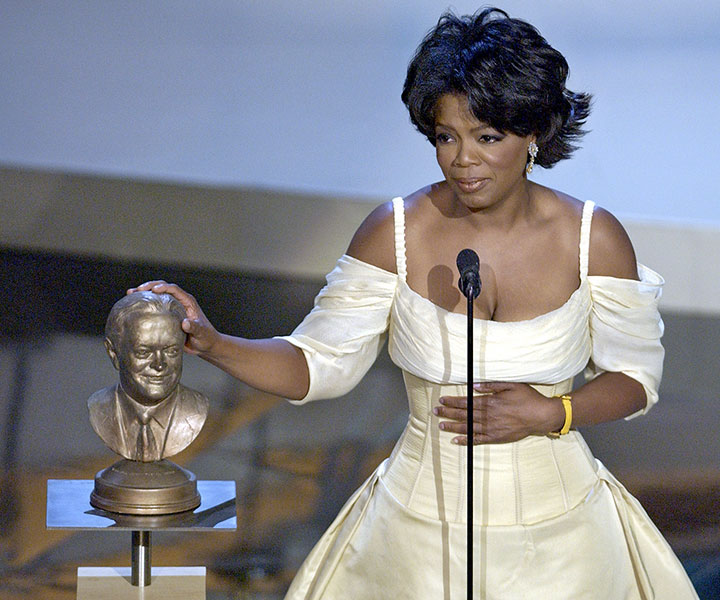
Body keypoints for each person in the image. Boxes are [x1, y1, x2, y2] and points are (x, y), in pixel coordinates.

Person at [130, 8, 698, 598]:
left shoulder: (592, 238)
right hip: (416, 540)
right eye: (446, 137)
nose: (463, 160)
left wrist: (555, 413)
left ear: (534, 133)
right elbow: (317, 364)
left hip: (565, 542)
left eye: (487, 137)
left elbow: (634, 379)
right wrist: (213, 343)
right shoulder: (394, 232)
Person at [88, 291, 209, 462]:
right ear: (114, 353)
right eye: (143, 352)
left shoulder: (196, 409)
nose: (159, 364)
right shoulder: (99, 407)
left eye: (171, 351)